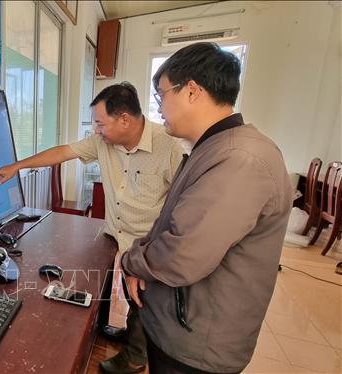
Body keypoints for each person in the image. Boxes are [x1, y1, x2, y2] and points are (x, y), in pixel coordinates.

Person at [0, 82, 183, 373]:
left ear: (125, 120)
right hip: (118, 234)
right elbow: (63, 152)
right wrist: (18, 166)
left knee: (146, 301)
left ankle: (135, 357)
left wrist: (160, 250)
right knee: (124, 291)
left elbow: (181, 203)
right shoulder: (103, 142)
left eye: (100, 123)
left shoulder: (168, 147)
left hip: (148, 244)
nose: (96, 131)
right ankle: (122, 332)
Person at [121, 42, 292, 373]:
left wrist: (131, 262)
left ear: (192, 91)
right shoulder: (215, 148)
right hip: (180, 325)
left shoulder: (238, 159)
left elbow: (183, 252)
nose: (158, 108)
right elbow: (172, 223)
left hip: (195, 344)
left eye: (161, 95)